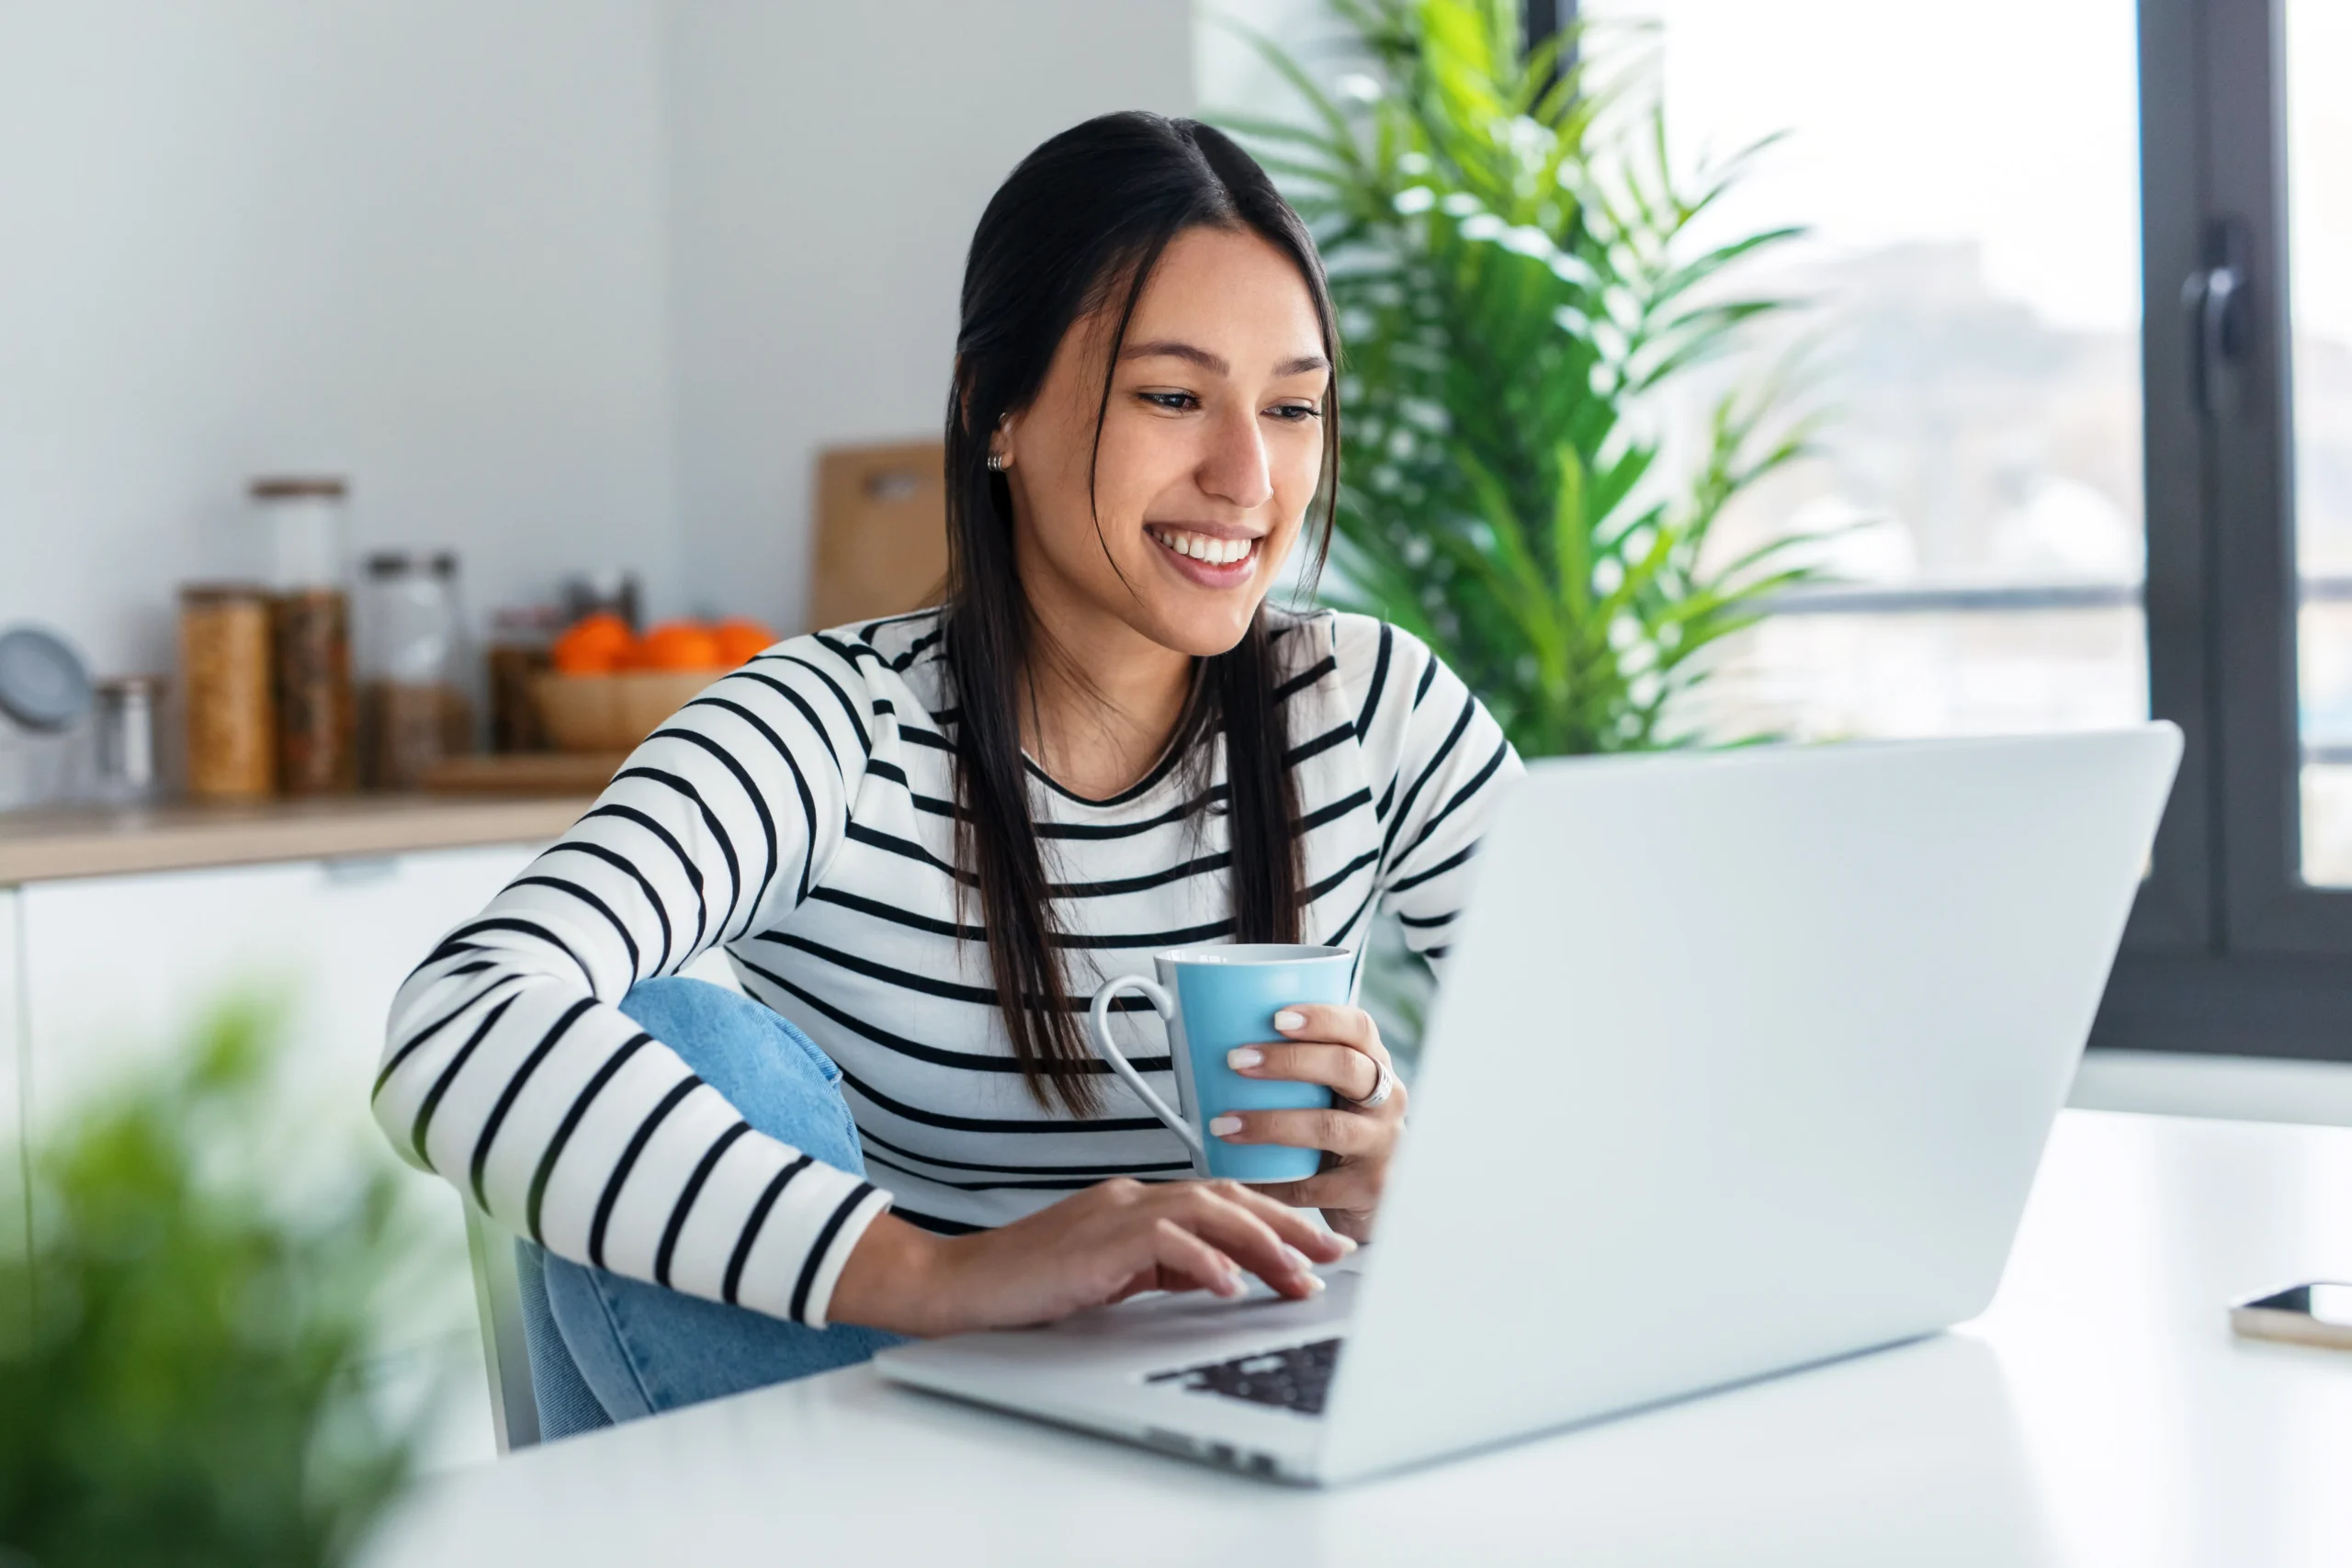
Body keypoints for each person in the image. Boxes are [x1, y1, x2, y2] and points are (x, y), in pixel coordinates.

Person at [373, 111, 1520, 1431]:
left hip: (1235, 1425)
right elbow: (457, 1017)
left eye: (1293, 406)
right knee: (676, 1037)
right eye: (1171, 395)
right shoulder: (832, 730)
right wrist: (935, 1272)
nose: (1248, 478)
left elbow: (1636, 1087)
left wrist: (1411, 1177)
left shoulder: (1367, 706)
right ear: (997, 414)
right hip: (876, 1429)